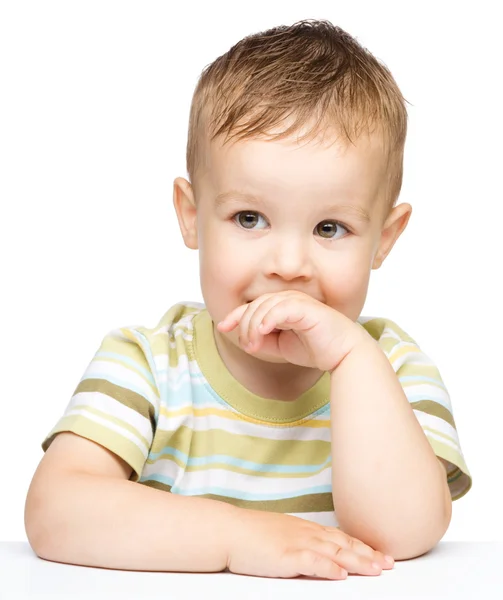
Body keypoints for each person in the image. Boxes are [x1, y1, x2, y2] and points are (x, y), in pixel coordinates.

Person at [25, 19, 472, 581]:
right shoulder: (147, 364)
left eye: (330, 227)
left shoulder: (393, 370)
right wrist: (237, 536)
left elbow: (403, 536)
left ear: (385, 238)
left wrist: (352, 361)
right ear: (192, 216)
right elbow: (53, 512)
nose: (288, 264)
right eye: (249, 218)